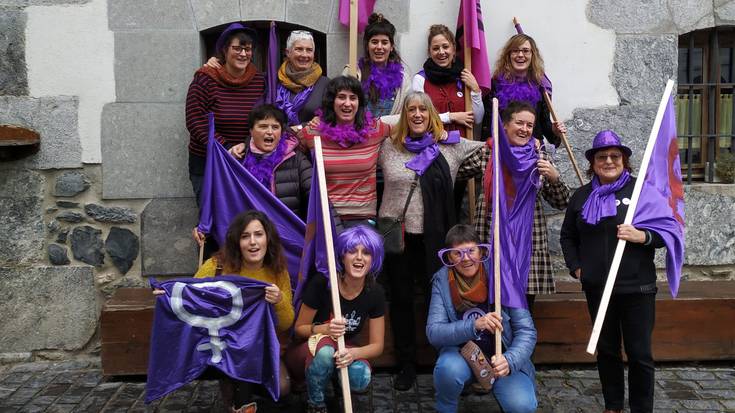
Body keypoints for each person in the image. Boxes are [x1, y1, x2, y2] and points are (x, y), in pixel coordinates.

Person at [379, 91, 482, 390]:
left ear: (432, 115)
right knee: (401, 301)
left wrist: (532, 143)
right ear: (404, 115)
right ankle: (407, 364)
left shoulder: (450, 147)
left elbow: (492, 148)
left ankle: (448, 361)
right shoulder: (387, 146)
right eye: (411, 110)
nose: (417, 115)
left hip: (436, 240)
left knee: (441, 302)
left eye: (423, 110)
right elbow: (370, 126)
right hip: (398, 240)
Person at [560, 130, 666, 413]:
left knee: (639, 353)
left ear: (624, 160)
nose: (609, 161)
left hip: (637, 288)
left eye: (615, 156)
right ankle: (613, 405)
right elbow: (568, 236)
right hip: (597, 288)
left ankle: (641, 408)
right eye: (602, 157)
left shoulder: (642, 191)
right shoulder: (582, 196)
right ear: (593, 163)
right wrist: (577, 268)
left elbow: (666, 231)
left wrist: (642, 236)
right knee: (607, 350)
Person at [158, 210, 293, 413]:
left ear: (268, 238)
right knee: (239, 362)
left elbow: (286, 323)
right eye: (245, 236)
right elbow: (190, 294)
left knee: (282, 388)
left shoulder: (277, 271)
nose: (253, 242)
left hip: (261, 347)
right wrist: (168, 293)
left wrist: (279, 301)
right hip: (222, 346)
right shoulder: (217, 266)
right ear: (237, 241)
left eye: (258, 234)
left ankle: (240, 388)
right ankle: (237, 397)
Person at [457, 100, 569, 311]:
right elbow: (455, 172)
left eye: (529, 125)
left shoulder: (539, 157)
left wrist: (554, 178)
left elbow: (562, 202)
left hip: (527, 242)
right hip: (492, 237)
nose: (525, 129)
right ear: (505, 126)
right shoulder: (489, 153)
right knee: (492, 305)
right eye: (520, 123)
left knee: (524, 309)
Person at [427, 224, 537, 413]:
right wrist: (474, 325)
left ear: (481, 252)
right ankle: (445, 409)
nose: (466, 258)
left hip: (501, 356)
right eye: (457, 253)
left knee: (522, 405)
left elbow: (527, 331)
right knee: (447, 370)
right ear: (449, 257)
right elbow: (434, 332)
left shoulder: (503, 276)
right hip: (462, 357)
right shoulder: (442, 281)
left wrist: (509, 361)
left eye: (471, 251)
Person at [287, 225, 386, 413]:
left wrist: (353, 354)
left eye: (366, 253)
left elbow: (377, 346)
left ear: (373, 259)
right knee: (325, 353)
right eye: (352, 251)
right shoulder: (323, 283)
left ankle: (338, 385)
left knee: (360, 375)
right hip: (309, 351)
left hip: (343, 350)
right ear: (342, 256)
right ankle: (316, 403)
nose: (359, 257)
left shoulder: (375, 292)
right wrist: (324, 329)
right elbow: (299, 329)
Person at [192, 104, 312, 249]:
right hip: (246, 242)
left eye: (275, 127)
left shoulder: (297, 160)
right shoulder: (238, 160)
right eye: (263, 126)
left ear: (281, 132)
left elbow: (316, 198)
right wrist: (202, 225)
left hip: (284, 242)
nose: (269, 132)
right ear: (251, 131)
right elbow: (219, 199)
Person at [186, 23, 266, 205]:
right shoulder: (205, 79)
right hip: (209, 161)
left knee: (244, 214)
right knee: (213, 212)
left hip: (246, 159)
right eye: (237, 48)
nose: (243, 54)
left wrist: (247, 145)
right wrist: (226, 147)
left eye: (247, 49)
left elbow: (265, 117)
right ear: (224, 50)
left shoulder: (259, 81)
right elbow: (195, 121)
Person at [298, 76, 392, 227]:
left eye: (353, 98)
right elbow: (285, 142)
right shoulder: (313, 132)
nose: (347, 103)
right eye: (341, 97)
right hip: (325, 218)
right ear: (331, 101)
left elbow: (406, 124)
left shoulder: (375, 129)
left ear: (359, 103)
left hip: (363, 219)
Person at [207, 29, 329, 128]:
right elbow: (240, 71)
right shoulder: (270, 79)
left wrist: (314, 123)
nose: (304, 54)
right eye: (298, 49)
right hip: (273, 145)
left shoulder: (325, 84)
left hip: (309, 146)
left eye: (309, 50)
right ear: (288, 52)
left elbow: (332, 117)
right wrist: (218, 63)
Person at [485, 33, 563, 146]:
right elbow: (488, 123)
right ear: (508, 55)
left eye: (526, 51)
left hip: (533, 149)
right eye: (515, 51)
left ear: (532, 55)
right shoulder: (495, 84)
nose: (520, 55)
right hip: (503, 148)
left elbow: (545, 126)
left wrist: (555, 131)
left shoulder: (541, 86)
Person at [412, 24, 483, 137]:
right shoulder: (420, 79)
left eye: (445, 47)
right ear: (429, 52)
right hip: (433, 144)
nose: (441, 52)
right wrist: (451, 117)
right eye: (436, 48)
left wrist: (476, 90)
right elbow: (418, 118)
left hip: (464, 144)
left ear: (453, 49)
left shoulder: (464, 77)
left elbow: (478, 119)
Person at [352, 13, 411, 118]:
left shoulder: (404, 81)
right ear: (367, 46)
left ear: (391, 47)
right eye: (374, 42)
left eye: (384, 42)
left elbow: (405, 116)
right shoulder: (353, 73)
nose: (379, 47)